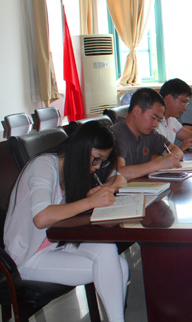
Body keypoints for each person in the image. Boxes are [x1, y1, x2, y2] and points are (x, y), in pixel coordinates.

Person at [3, 121, 130, 322]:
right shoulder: (43, 166)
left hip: (57, 244)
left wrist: (105, 188)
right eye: (96, 159)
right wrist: (90, 201)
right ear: (80, 150)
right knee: (117, 267)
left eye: (102, 161)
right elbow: (41, 218)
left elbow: (120, 177)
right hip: (28, 256)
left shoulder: (76, 167)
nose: (97, 167)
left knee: (110, 253)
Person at [111, 88, 184, 180]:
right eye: (153, 118)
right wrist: (160, 163)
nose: (156, 124)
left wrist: (167, 159)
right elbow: (119, 174)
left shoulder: (149, 133)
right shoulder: (116, 135)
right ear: (137, 111)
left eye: (159, 120)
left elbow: (177, 151)